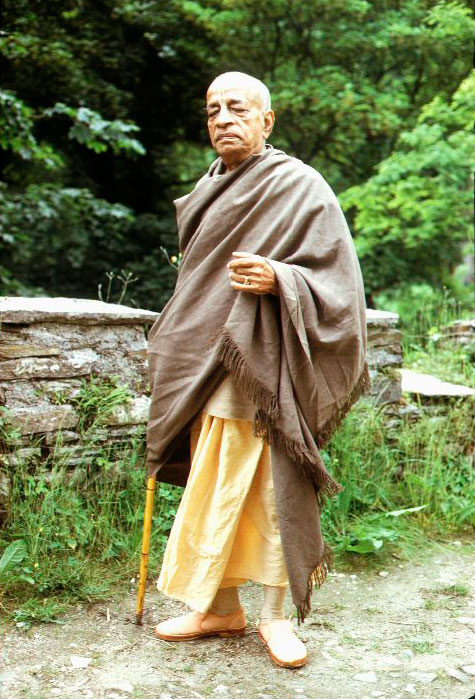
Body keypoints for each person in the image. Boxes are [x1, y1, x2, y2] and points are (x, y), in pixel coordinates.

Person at [146, 71, 368, 668]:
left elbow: (340, 284)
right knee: (207, 486)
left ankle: (274, 617)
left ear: (266, 121)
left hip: (265, 362)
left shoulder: (300, 186)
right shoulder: (205, 188)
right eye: (213, 109)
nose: (223, 118)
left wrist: (281, 279)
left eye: (237, 108)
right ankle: (218, 607)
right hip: (202, 363)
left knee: (270, 491)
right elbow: (195, 285)